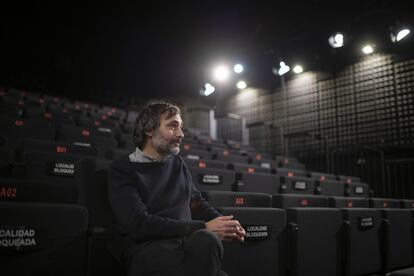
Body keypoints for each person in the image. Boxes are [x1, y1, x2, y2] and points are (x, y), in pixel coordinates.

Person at [108, 102, 246, 276]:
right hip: (146, 249)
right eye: (173, 126)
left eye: (180, 127)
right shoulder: (122, 169)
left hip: (184, 243)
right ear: (149, 130)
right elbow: (139, 225)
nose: (181, 134)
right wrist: (203, 227)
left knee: (208, 240)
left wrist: (226, 225)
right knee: (207, 241)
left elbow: (196, 204)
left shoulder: (177, 164)